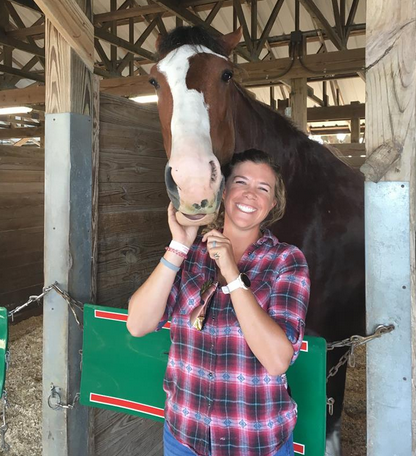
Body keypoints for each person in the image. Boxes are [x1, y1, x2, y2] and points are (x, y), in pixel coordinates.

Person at [127, 149, 310, 456]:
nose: (250, 194)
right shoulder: (192, 254)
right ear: (224, 191)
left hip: (256, 441)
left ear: (273, 203)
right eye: (241, 182)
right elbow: (137, 324)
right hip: (185, 436)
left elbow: (277, 361)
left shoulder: (286, 261)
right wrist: (178, 246)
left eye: (263, 188)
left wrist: (232, 273)